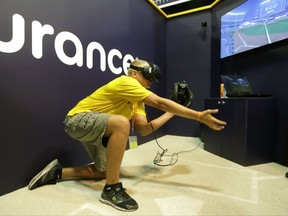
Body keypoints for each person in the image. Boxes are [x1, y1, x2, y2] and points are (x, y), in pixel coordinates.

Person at [28, 58, 227, 212]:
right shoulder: (126, 81)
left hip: (97, 128)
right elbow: (159, 102)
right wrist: (199, 116)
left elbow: (144, 129)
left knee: (104, 171)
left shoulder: (137, 100)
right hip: (76, 120)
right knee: (122, 123)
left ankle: (57, 173)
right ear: (134, 74)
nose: (150, 82)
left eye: (152, 80)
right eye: (148, 78)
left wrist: (173, 112)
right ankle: (112, 190)